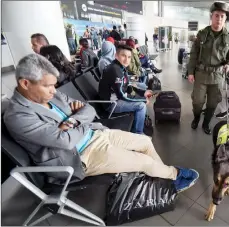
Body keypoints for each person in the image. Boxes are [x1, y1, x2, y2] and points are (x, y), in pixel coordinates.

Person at [4, 53, 199, 191]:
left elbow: (88, 108)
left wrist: (70, 122)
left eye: (54, 85)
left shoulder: (51, 96)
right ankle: (174, 176)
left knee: (145, 142)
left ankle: (164, 178)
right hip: (81, 156)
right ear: (25, 83)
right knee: (144, 162)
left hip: (96, 133)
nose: (54, 91)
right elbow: (64, 142)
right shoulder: (17, 116)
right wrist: (76, 121)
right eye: (47, 86)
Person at [187, 2, 229, 134]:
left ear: (225, 19)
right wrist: (190, 72)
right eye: (216, 15)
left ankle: (206, 123)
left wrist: (228, 64)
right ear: (211, 16)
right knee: (197, 102)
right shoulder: (202, 34)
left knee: (212, 104)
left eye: (222, 16)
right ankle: (196, 118)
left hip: (218, 77)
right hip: (201, 74)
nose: (219, 19)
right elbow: (194, 54)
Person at [99, 44, 151, 134]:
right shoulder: (115, 70)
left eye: (129, 57)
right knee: (141, 106)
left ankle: (138, 127)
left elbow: (127, 87)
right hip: (111, 104)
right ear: (116, 55)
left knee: (141, 93)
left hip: (116, 98)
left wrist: (143, 93)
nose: (127, 59)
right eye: (123, 56)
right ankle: (138, 134)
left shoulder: (120, 67)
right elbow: (122, 95)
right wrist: (142, 99)